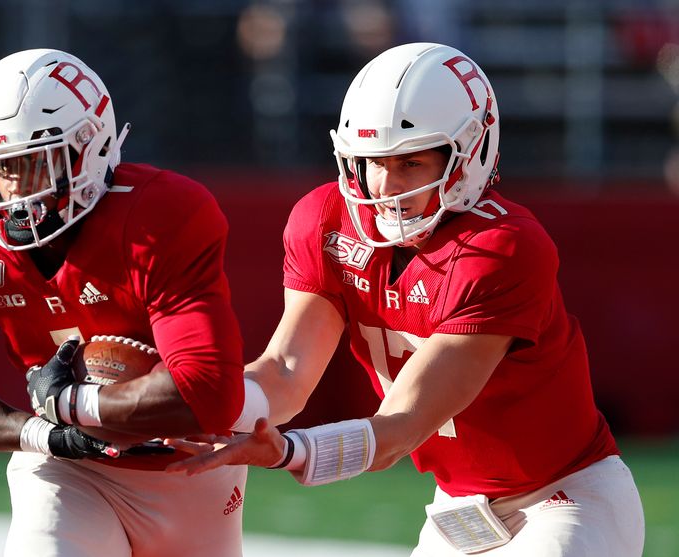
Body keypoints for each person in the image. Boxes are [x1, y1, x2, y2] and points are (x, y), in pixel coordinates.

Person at [167, 43, 646, 556]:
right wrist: (197, 405)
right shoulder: (326, 220)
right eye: (371, 162)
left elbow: (401, 425)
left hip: (563, 498)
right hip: (456, 507)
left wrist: (290, 450)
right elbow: (285, 369)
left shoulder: (503, 248)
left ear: (470, 154)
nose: (384, 187)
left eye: (410, 163)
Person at [0, 48, 247, 557]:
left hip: (187, 465)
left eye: (34, 165)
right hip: (65, 470)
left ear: (91, 148)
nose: (13, 192)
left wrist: (67, 404)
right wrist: (44, 434)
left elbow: (211, 394)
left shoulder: (161, 217)